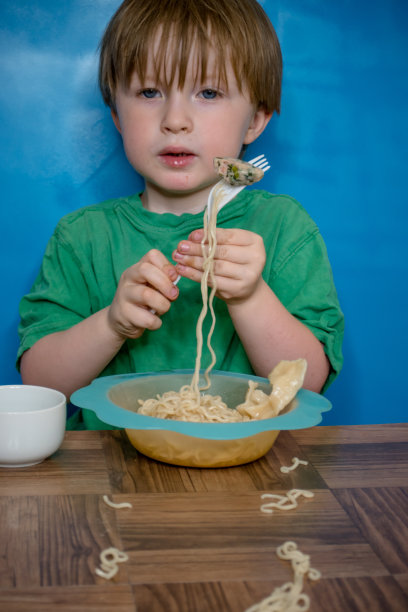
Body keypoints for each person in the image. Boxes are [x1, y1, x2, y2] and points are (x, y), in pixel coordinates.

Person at [17, 0, 344, 430]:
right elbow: (41, 385)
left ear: (255, 120)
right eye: (149, 93)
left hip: (247, 478)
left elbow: (308, 385)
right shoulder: (83, 237)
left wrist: (250, 297)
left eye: (208, 93)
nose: (175, 120)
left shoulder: (283, 227)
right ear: (116, 114)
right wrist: (112, 323)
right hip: (110, 476)